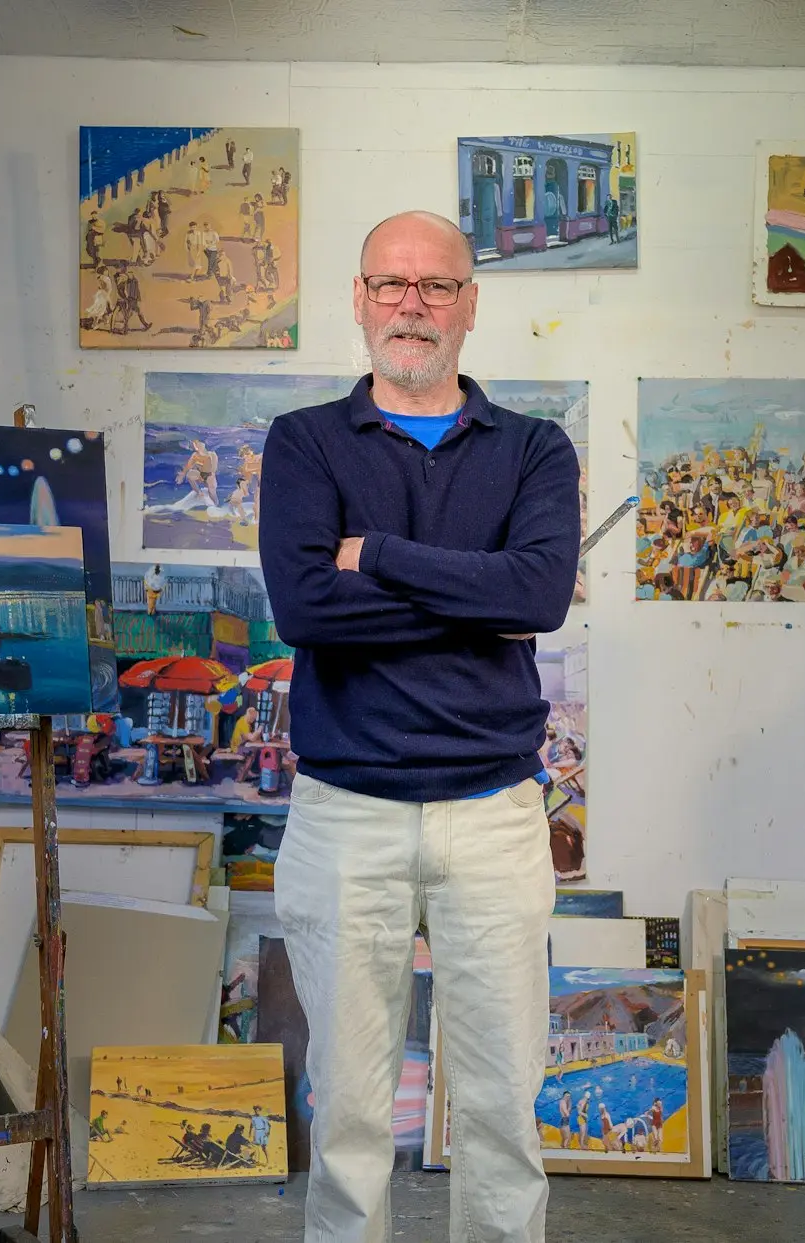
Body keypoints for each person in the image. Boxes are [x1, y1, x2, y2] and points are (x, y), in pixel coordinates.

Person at [258, 210, 578, 1243]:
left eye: (436, 285)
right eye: (390, 284)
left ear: (469, 304)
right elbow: (306, 609)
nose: (412, 304)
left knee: (501, 1110)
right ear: (359, 299)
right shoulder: (306, 441)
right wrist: (478, 594)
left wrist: (380, 556)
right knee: (351, 1115)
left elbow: (538, 593)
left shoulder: (534, 448)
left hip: (494, 814)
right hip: (346, 814)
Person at [114, 266, 150, 333]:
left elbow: (137, 291)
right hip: (130, 299)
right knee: (128, 314)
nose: (130, 275)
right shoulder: (125, 280)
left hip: (134, 299)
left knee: (137, 312)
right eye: (129, 273)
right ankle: (125, 329)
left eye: (131, 273)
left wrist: (138, 298)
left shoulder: (134, 280)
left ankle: (145, 324)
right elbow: (123, 289)